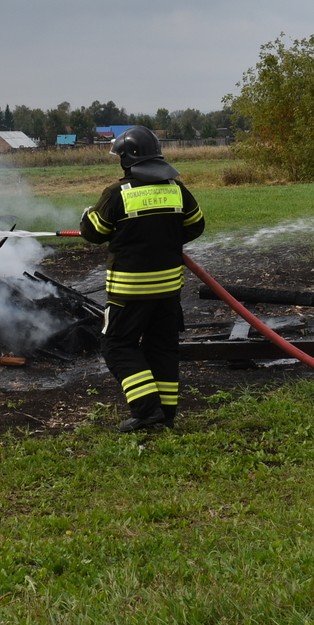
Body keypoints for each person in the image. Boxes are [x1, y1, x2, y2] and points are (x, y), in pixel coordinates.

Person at [79, 126, 205, 432]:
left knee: (116, 345)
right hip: (168, 291)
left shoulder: (116, 194)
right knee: (162, 347)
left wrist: (87, 215)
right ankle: (166, 412)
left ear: (127, 160)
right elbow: (195, 226)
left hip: (129, 292)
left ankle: (147, 409)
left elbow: (93, 233)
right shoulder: (178, 190)